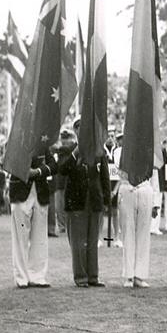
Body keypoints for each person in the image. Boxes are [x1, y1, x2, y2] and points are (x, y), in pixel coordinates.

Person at [58, 118, 111, 288]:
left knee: (92, 240)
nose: (83, 131)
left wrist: (107, 198)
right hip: (77, 201)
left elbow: (105, 176)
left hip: (94, 200)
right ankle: (81, 276)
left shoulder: (99, 151)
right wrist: (76, 153)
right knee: (78, 242)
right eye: (79, 128)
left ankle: (93, 276)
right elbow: (62, 170)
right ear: (75, 130)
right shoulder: (68, 150)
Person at [8, 152, 56, 289]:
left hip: (40, 192)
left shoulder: (43, 141)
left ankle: (37, 275)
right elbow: (10, 162)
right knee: (20, 237)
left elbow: (54, 165)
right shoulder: (16, 138)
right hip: (20, 191)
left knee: (40, 237)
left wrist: (38, 171)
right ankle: (21, 277)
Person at [115, 136, 154, 288]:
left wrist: (156, 203)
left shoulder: (147, 151)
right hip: (128, 188)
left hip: (144, 188)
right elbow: (123, 165)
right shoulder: (119, 151)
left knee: (143, 234)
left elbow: (153, 174)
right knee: (128, 233)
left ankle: (140, 275)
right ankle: (128, 275)